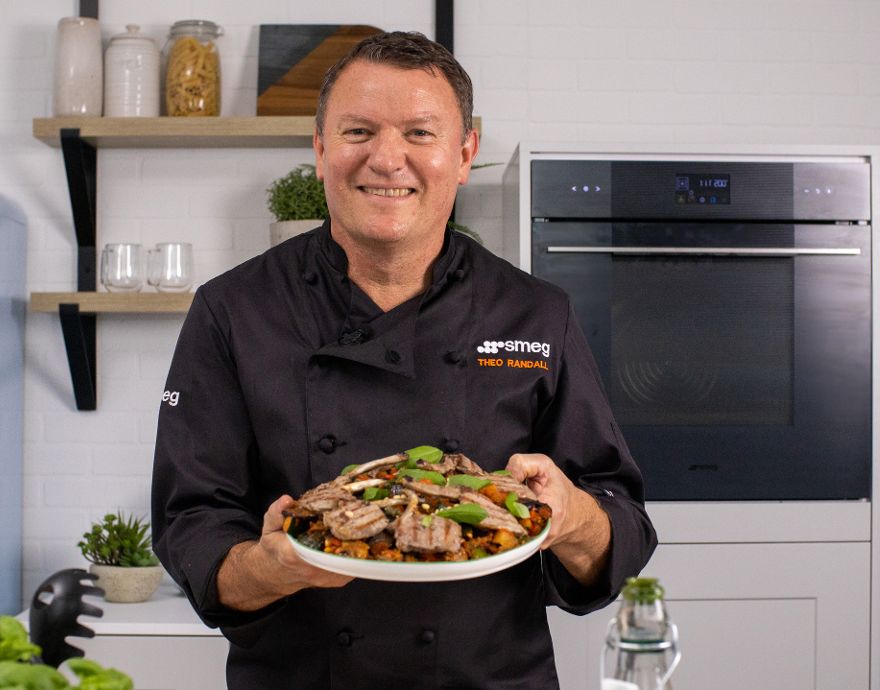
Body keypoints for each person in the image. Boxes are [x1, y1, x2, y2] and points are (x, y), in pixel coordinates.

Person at [152, 31, 657, 690]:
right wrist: (269, 565)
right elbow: (191, 522)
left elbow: (619, 516)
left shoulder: (534, 314)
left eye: (420, 133)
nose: (387, 159)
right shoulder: (232, 311)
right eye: (359, 130)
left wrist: (568, 514)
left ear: (465, 152)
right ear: (320, 147)